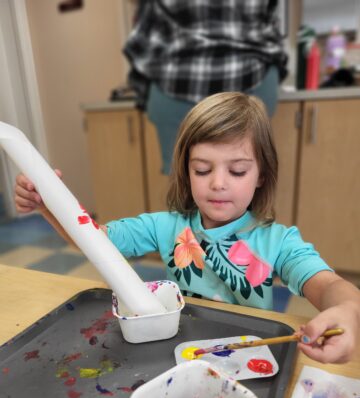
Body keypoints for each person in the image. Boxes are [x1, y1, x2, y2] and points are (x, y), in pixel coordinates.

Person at [14, 92, 359, 364]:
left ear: (261, 176)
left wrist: (347, 310)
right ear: (185, 171)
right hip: (177, 351)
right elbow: (95, 240)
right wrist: (48, 205)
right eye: (202, 169)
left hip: (245, 357)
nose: (218, 183)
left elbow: (328, 286)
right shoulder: (166, 226)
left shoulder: (278, 241)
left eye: (237, 171)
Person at [124, 0, 288, 174]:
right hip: (244, 78)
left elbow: (144, 33)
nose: (217, 185)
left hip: (180, 83)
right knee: (228, 181)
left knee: (193, 185)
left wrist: (143, 91)